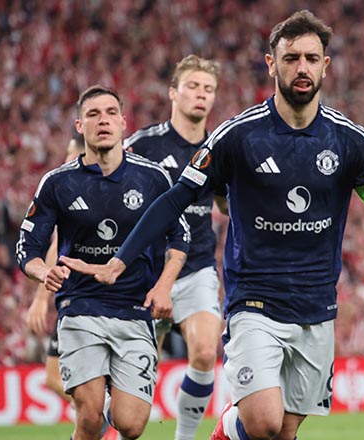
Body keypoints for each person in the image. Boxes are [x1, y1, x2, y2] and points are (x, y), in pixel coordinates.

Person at [60, 11, 364, 440]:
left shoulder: (350, 141)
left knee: (286, 430)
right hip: (254, 301)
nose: (302, 67)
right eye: (291, 57)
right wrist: (120, 260)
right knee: (262, 422)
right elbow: (175, 198)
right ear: (271, 64)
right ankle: (226, 428)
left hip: (317, 307)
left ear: (326, 66)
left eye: (312, 58)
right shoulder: (237, 136)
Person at [17, 85, 190, 440]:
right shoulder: (58, 183)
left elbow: (181, 236)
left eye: (111, 113)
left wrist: (164, 286)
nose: (103, 121)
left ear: (124, 122)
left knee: (131, 425)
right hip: (80, 306)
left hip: (134, 308)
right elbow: (27, 247)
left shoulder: (153, 178)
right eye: (93, 115)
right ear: (79, 126)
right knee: (90, 417)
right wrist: (43, 272)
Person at [124, 54, 224, 440]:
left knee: (205, 352)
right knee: (137, 375)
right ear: (173, 93)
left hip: (197, 267)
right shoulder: (143, 145)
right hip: (148, 272)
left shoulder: (219, 148)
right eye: (193, 86)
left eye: (208, 89)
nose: (201, 95)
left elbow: (225, 204)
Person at [26, 130, 86, 404]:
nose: (66, 162)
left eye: (72, 156)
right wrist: (41, 297)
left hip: (89, 297)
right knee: (54, 378)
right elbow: (55, 246)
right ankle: (98, 416)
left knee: (72, 382)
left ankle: (99, 415)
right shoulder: (67, 191)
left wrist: (41, 299)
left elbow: (55, 249)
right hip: (73, 296)